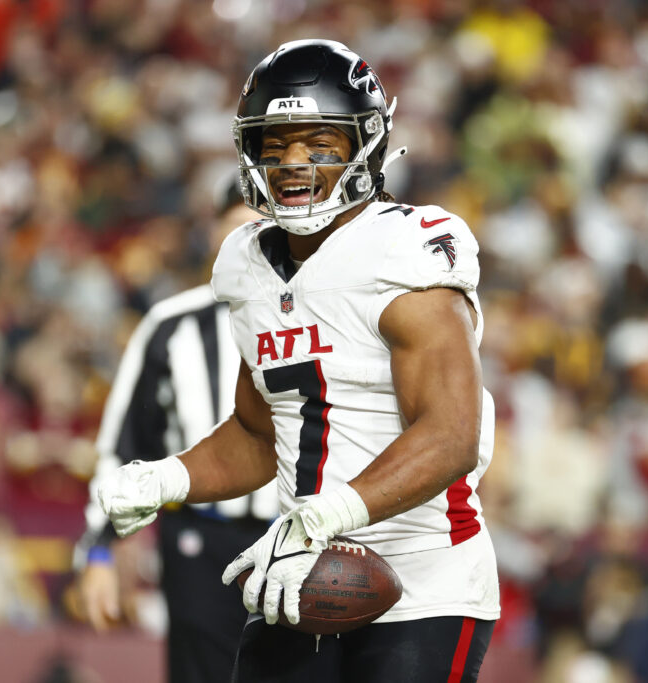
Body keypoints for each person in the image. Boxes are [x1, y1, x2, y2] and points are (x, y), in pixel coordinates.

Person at [98, 39, 499, 682]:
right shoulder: (246, 265)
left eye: (319, 144)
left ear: (364, 145)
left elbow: (451, 436)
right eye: (275, 144)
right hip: (299, 574)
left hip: (424, 578)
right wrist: (165, 480)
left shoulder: (406, 252)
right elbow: (260, 435)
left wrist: (324, 515)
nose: (293, 163)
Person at [75, 187, 278, 683]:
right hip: (198, 536)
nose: (243, 240)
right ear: (211, 233)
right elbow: (124, 446)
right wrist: (98, 549)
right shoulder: (170, 325)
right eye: (232, 226)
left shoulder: (316, 318)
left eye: (256, 226)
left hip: (290, 533)